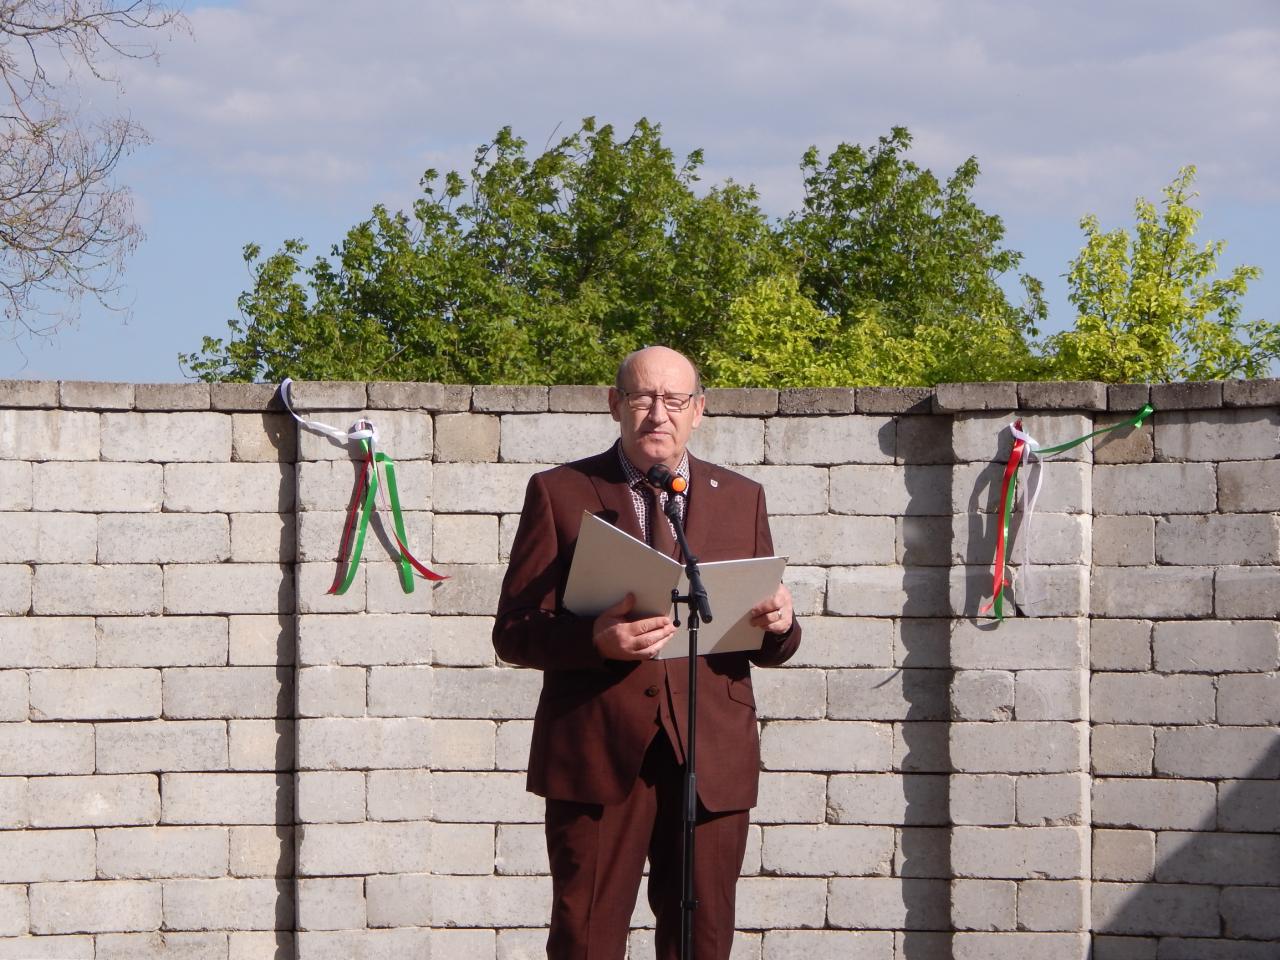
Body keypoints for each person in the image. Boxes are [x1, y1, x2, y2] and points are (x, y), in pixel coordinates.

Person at [493, 345, 801, 960]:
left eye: (675, 400)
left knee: (702, 939)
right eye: (642, 397)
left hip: (710, 752)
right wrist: (594, 640)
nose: (659, 414)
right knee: (585, 938)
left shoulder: (742, 497)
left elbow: (769, 643)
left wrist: (781, 625)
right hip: (597, 750)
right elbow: (514, 631)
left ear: (699, 410)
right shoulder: (560, 492)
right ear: (616, 404)